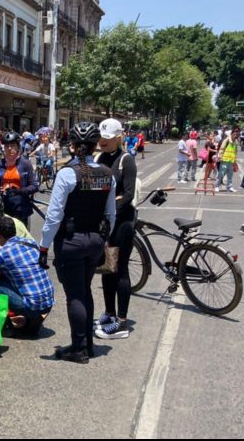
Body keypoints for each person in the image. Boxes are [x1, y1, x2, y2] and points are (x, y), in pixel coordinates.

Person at [39, 122, 116, 364]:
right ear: (95, 146)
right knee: (85, 290)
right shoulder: (107, 174)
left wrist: (43, 246)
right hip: (94, 240)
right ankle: (88, 344)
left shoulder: (67, 173)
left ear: (72, 146)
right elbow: (110, 214)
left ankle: (79, 348)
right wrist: (102, 238)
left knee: (75, 295)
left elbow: (54, 216)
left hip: (71, 241)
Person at [94, 118, 137, 340]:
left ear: (119, 138)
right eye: (101, 137)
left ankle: (122, 321)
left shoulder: (126, 160)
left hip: (123, 222)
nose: (102, 141)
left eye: (107, 138)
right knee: (106, 267)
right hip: (105, 222)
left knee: (120, 269)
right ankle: (109, 313)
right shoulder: (99, 158)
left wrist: (109, 208)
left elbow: (128, 195)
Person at [0, 217, 55, 336]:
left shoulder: (2, 253)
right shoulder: (29, 242)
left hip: (33, 306)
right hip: (48, 302)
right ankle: (31, 319)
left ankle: (9, 318)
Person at [0, 131, 38, 227]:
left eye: (12, 146)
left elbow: (35, 186)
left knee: (20, 238)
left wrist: (19, 191)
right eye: (7, 146)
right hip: (2, 207)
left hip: (20, 207)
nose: (9, 148)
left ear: (18, 147)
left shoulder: (25, 164)